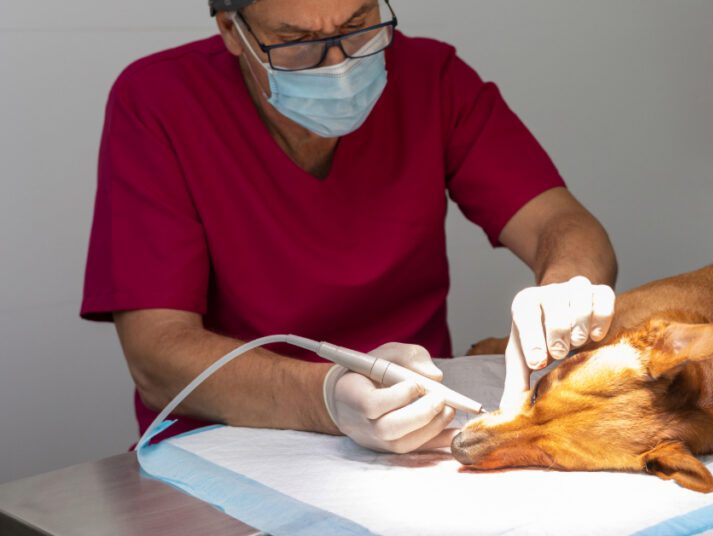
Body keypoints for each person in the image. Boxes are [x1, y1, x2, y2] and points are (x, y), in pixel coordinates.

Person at [81, 0, 617, 453]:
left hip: (419, 427)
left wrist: (567, 287)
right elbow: (156, 356)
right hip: (228, 441)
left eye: (358, 24)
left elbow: (561, 222)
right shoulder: (158, 102)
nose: (337, 63)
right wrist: (326, 397)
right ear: (232, 32)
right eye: (296, 41)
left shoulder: (433, 79)